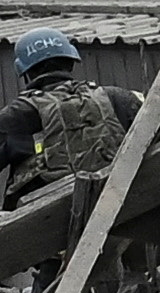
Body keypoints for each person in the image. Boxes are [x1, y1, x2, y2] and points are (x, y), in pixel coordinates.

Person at [0, 29, 98, 199]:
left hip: (38, 212)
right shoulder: (117, 98)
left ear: (26, 73)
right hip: (116, 202)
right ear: (70, 63)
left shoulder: (15, 115)